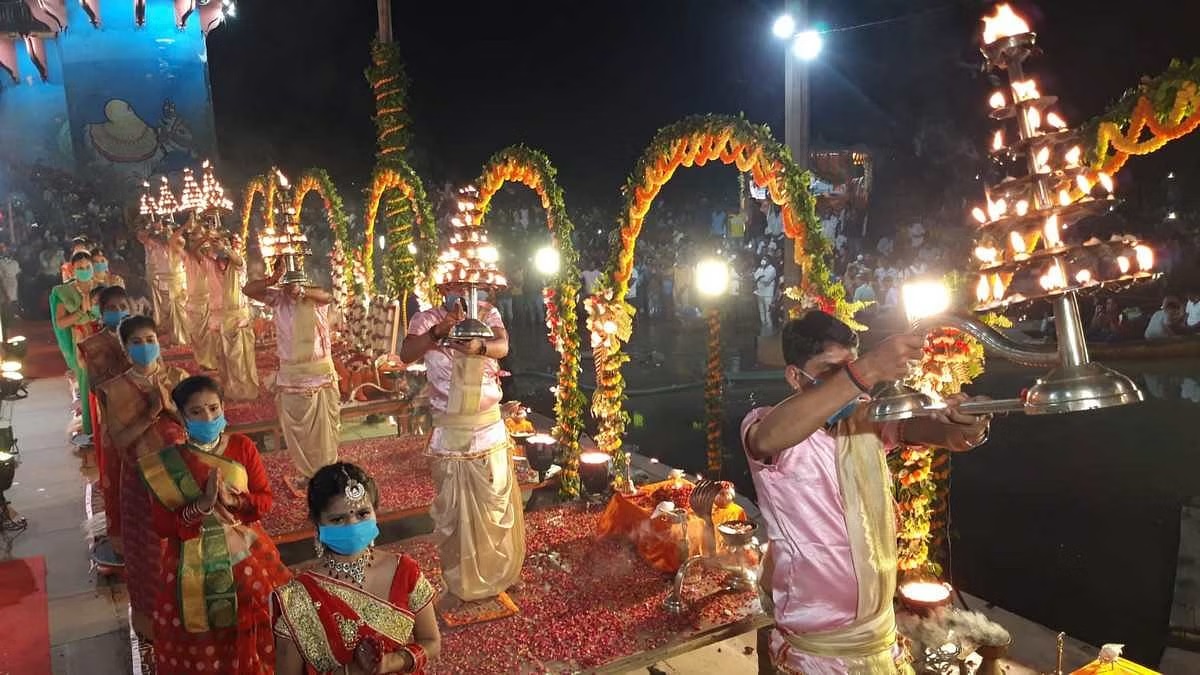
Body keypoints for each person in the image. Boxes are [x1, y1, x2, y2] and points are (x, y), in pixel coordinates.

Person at [741, 312, 992, 674]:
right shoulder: (767, 424)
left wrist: (968, 424)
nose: (850, 385)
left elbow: (937, 433)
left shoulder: (867, 420)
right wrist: (867, 370)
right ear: (795, 377)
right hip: (814, 646)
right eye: (830, 372)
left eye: (850, 367)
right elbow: (767, 438)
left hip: (878, 634)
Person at [139, 375, 290, 673]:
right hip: (190, 564)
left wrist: (235, 503)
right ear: (181, 416)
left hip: (245, 554)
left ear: (223, 408)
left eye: (213, 408)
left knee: (262, 623)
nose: (207, 417)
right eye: (196, 412)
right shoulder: (168, 463)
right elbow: (163, 527)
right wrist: (201, 506)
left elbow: (265, 500)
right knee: (199, 637)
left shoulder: (242, 447)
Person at [399, 293, 525, 607]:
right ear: (444, 283)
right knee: (454, 514)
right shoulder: (427, 319)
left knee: (495, 506)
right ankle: (460, 583)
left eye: (469, 281)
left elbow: (503, 347)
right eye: (454, 279)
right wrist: (437, 333)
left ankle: (498, 573)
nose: (461, 287)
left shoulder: (488, 312)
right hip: (451, 430)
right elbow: (406, 354)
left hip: (489, 429)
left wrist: (478, 348)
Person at [273, 463, 441, 673]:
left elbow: (431, 641)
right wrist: (353, 671)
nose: (352, 525)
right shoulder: (298, 598)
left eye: (362, 514)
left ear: (375, 512)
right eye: (338, 519)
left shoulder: (404, 570)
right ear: (317, 523)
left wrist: (391, 662)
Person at [95, 315, 189, 646]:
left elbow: (198, 424)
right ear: (125, 347)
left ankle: (188, 616)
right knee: (147, 555)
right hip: (140, 480)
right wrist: (152, 412)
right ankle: (153, 624)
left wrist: (172, 409)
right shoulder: (112, 389)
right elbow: (119, 442)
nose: (145, 347)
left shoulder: (178, 377)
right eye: (137, 341)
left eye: (150, 339)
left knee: (185, 548)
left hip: (181, 475)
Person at [244, 260, 339, 484]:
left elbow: (327, 296)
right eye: (287, 284)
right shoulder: (278, 300)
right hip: (293, 378)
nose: (291, 288)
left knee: (325, 432)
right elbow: (247, 290)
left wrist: (301, 290)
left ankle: (327, 472)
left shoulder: (315, 300)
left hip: (322, 375)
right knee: (299, 433)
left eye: (294, 282)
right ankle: (308, 473)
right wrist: (273, 280)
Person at [50, 250, 99, 442]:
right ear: (72, 270)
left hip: (102, 339)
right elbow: (61, 323)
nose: (85, 271)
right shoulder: (63, 292)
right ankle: (91, 426)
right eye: (80, 268)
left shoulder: (101, 287)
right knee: (87, 382)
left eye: (88, 267)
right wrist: (82, 314)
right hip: (81, 341)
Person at [211, 233, 259, 400]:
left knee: (240, 357)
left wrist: (225, 248)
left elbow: (236, 259)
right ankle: (232, 390)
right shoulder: (225, 268)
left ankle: (246, 391)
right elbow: (216, 260)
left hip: (239, 316)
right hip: (227, 316)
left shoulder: (240, 264)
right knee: (227, 358)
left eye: (235, 245)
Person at [138, 224, 189, 347]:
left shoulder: (177, 247)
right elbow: (142, 238)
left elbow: (175, 240)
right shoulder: (156, 248)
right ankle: (174, 337)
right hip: (164, 284)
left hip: (178, 284)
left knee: (181, 313)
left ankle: (184, 338)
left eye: (168, 234)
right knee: (167, 313)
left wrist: (185, 226)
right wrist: (152, 229)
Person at [181, 224, 219, 370]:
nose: (193, 242)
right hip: (194, 303)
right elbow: (193, 249)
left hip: (209, 301)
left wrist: (212, 237)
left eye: (195, 238)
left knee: (210, 335)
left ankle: (212, 363)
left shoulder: (211, 257)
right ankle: (204, 362)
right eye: (190, 239)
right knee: (197, 336)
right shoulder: (191, 256)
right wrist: (205, 237)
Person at [0, 243, 20, 330]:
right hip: (4, 286)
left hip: (13, 285)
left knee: (12, 304)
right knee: (5, 305)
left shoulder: (15, 262)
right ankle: (5, 325)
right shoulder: (1, 263)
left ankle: (10, 323)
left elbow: (18, 274)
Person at [753, 258, 777, 331]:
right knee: (761, 312)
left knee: (768, 312)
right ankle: (763, 328)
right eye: (762, 259)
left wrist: (759, 277)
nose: (763, 261)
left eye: (765, 259)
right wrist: (760, 277)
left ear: (769, 260)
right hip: (759, 293)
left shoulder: (772, 269)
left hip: (768, 294)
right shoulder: (760, 269)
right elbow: (754, 277)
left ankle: (770, 329)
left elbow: (767, 280)